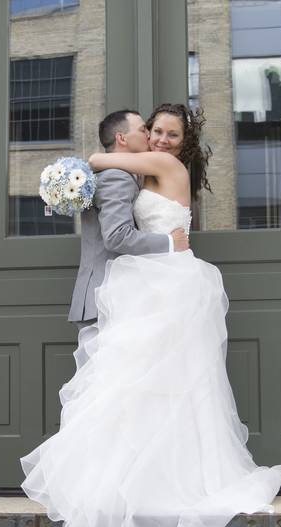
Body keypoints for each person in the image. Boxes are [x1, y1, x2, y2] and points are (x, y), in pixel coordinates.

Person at [20, 103, 281, 527]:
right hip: (148, 284)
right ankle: (140, 481)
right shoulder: (144, 169)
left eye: (170, 133)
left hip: (171, 284)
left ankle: (171, 483)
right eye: (156, 130)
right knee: (147, 385)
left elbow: (99, 160)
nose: (163, 139)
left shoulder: (166, 167)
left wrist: (86, 163)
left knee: (171, 382)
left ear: (182, 142)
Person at [65, 109, 189, 372]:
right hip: (105, 297)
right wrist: (169, 243)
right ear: (122, 138)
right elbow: (116, 237)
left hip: (123, 294)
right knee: (105, 390)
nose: (151, 136)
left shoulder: (131, 173)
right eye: (145, 129)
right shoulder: (116, 176)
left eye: (172, 134)